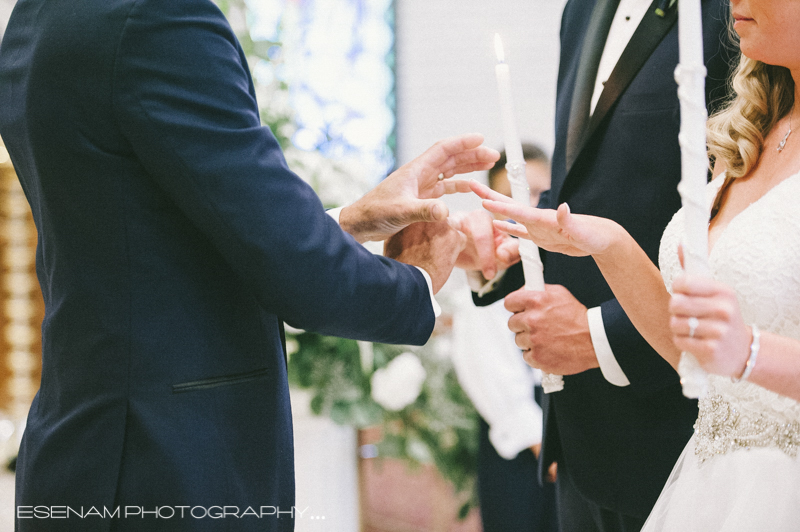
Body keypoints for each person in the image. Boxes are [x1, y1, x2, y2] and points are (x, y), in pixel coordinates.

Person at [0, 0, 500, 530]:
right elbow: (302, 277)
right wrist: (417, 280)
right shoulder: (157, 18)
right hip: (168, 462)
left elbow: (146, 247)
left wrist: (347, 221)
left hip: (90, 440)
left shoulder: (40, 17)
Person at [474, 0, 800, 528]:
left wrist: (750, 353)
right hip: (707, 484)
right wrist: (610, 244)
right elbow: (689, 357)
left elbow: (737, 354)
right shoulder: (758, 124)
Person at [451, 145, 557, 532]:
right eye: (512, 195)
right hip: (521, 446)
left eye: (538, 193)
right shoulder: (488, 276)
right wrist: (546, 449)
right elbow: (489, 373)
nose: (526, 205)